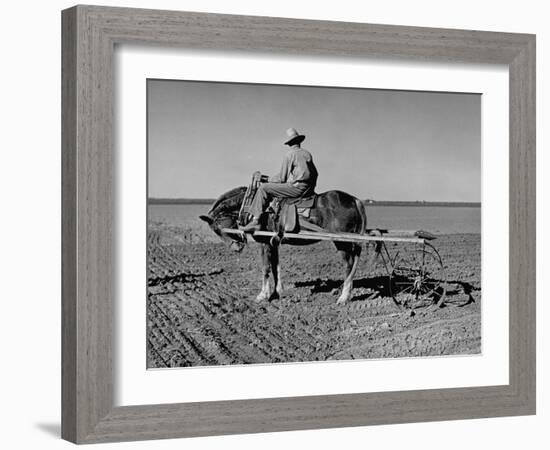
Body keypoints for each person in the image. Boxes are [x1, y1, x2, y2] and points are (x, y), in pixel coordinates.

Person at [241, 128, 318, 233]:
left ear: (289, 144)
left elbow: (282, 178)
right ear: (299, 142)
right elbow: (315, 174)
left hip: (297, 188)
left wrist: (265, 179)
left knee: (264, 188)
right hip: (308, 188)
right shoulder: (307, 154)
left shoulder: (289, 155)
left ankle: (255, 221)